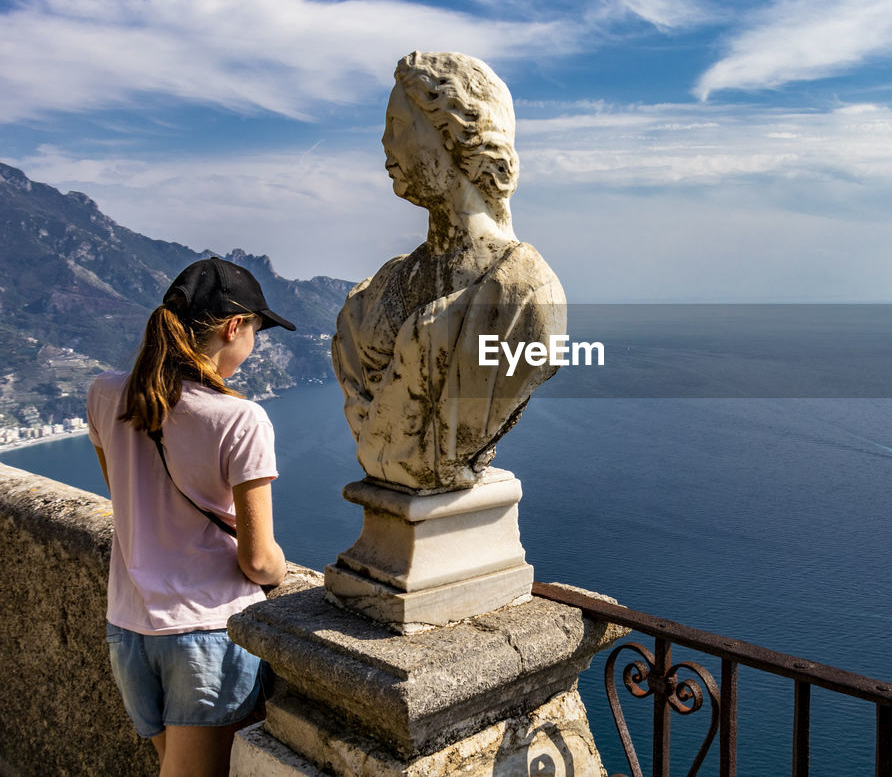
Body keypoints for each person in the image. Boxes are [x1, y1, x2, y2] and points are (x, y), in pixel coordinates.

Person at [87, 256, 293, 777]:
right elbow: (257, 559)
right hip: (205, 633)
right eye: (256, 330)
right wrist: (280, 570)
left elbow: (125, 499)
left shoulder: (105, 394)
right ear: (233, 327)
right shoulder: (240, 419)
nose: (255, 345)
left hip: (129, 629)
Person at [332, 51, 566, 490]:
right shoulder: (381, 288)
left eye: (398, 126)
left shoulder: (523, 293)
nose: (385, 142)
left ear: (459, 136)